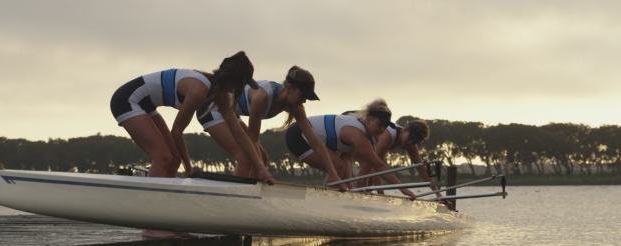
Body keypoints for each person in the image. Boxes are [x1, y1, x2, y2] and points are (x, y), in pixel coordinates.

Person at [109, 51, 274, 184]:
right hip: (127, 100)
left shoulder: (222, 97)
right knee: (163, 156)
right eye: (242, 84)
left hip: (146, 105)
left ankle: (168, 207)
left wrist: (261, 169)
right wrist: (189, 167)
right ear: (234, 81)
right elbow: (177, 132)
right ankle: (152, 208)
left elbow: (239, 135)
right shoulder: (198, 90)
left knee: (174, 160)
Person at [196, 66, 342, 187]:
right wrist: (263, 173)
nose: (304, 100)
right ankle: (240, 196)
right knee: (245, 154)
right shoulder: (262, 97)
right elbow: (252, 139)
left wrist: (334, 175)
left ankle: (251, 193)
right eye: (303, 95)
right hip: (212, 108)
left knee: (263, 159)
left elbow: (315, 142)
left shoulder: (297, 108)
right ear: (290, 88)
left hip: (230, 112)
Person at [285, 99, 416, 198]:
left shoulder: (362, 131)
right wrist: (402, 189)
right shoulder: (357, 134)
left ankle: (326, 199)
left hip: (305, 136)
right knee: (338, 167)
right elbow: (378, 165)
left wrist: (350, 190)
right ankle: (322, 200)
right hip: (298, 135)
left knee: (340, 166)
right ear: (369, 120)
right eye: (379, 125)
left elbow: (345, 160)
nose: (381, 130)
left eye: (385, 127)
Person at [358, 118, 442, 198]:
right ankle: (359, 194)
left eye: (414, 141)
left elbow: (421, 169)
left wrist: (438, 194)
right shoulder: (388, 135)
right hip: (356, 132)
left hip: (368, 144)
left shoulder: (411, 144)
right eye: (410, 138)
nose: (410, 142)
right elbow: (376, 165)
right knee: (367, 168)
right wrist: (381, 194)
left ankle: (363, 193)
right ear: (405, 129)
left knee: (369, 173)